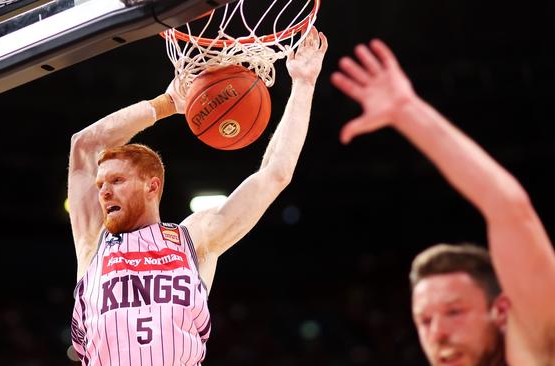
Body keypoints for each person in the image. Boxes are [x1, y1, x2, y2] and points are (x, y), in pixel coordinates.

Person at [66, 27, 327, 365]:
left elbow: (274, 174)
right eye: (100, 185)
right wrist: (167, 104)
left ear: (152, 186)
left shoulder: (195, 239)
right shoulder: (93, 244)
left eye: (116, 180)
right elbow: (83, 146)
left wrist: (304, 84)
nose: (103, 191)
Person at [331, 40, 555, 366]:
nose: (437, 334)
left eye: (454, 312)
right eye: (425, 321)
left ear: (502, 312)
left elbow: (508, 208)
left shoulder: (533, 352)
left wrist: (407, 111)